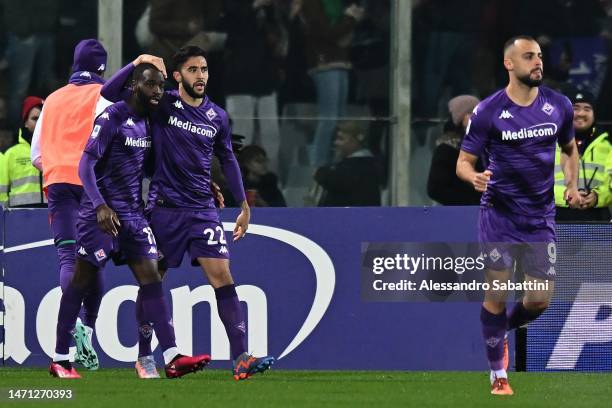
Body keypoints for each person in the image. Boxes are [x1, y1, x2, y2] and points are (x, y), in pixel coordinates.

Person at [101, 45, 275, 380]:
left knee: (223, 277)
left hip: (203, 211)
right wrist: (137, 63)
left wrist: (242, 204)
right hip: (165, 209)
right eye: (193, 70)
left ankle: (241, 357)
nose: (201, 76)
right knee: (154, 280)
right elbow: (110, 93)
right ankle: (144, 356)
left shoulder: (217, 117)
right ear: (177, 75)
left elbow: (227, 159)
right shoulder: (162, 102)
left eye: (205, 69)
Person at [50, 63, 211, 379]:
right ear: (135, 85)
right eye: (151, 85)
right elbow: (85, 166)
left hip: (134, 217)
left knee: (152, 280)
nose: (156, 92)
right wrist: (99, 206)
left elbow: (150, 167)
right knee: (80, 283)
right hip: (101, 218)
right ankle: (60, 359)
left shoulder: (149, 123)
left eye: (160, 86)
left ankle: (173, 356)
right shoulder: (112, 117)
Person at [456, 35, 582, 396]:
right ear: (509, 64)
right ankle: (499, 376)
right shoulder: (488, 111)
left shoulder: (558, 105)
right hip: (500, 214)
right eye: (529, 56)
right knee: (496, 290)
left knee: (539, 301)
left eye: (540, 56)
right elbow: (463, 163)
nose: (538, 62)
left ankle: (500, 331)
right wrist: (474, 176)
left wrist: (571, 186)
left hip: (540, 216)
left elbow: (569, 149)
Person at [30, 39, 114, 371]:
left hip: (58, 185)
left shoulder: (52, 99)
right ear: (103, 67)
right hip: (92, 188)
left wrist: (57, 167)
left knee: (68, 258)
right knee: (92, 264)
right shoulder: (105, 96)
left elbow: (36, 154)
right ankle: (85, 327)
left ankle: (75, 332)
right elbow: (112, 145)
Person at [554, 91, 611, 221]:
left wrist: (597, 197)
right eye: (575, 108)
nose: (581, 113)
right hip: (557, 220)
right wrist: (567, 195)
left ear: (594, 114)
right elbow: (538, 185)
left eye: (587, 109)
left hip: (598, 221)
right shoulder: (549, 144)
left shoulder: (608, 146)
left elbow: (610, 187)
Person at [427, 95, 482, 205]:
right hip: (457, 216)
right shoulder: (447, 149)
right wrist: (470, 201)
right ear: (463, 118)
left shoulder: (481, 147)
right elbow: (435, 189)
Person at [314, 120, 381, 206]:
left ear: (356, 141)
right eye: (336, 139)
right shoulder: (357, 163)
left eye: (341, 139)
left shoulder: (362, 164)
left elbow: (340, 180)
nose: (336, 143)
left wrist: (320, 172)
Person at [0, 96, 46, 207]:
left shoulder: (55, 151)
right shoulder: (9, 154)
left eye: (43, 119)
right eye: (35, 119)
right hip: (18, 216)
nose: (39, 123)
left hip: (49, 214)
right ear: (25, 122)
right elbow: (1, 192)